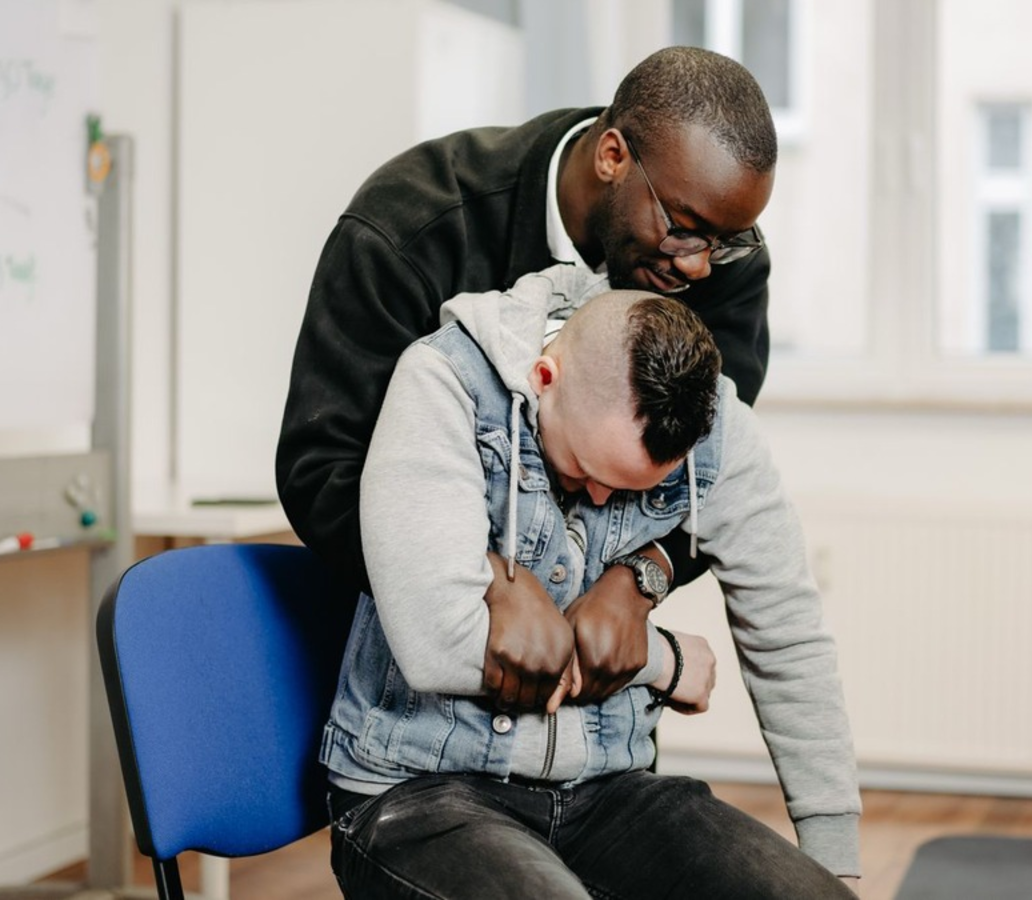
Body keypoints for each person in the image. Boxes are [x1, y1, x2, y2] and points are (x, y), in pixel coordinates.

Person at [321, 265, 861, 898]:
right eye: (583, 469)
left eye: (630, 489)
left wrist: (835, 858)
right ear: (544, 378)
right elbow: (436, 640)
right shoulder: (445, 380)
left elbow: (788, 633)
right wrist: (664, 660)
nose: (600, 498)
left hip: (608, 789)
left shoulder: (717, 427)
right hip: (421, 790)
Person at [276, 46, 777, 702]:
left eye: (726, 242)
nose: (700, 267)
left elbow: (707, 476)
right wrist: (486, 578)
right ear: (612, 157)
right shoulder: (414, 226)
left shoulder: (722, 259)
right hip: (424, 708)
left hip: (599, 721)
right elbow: (322, 469)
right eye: (684, 231)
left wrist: (641, 577)